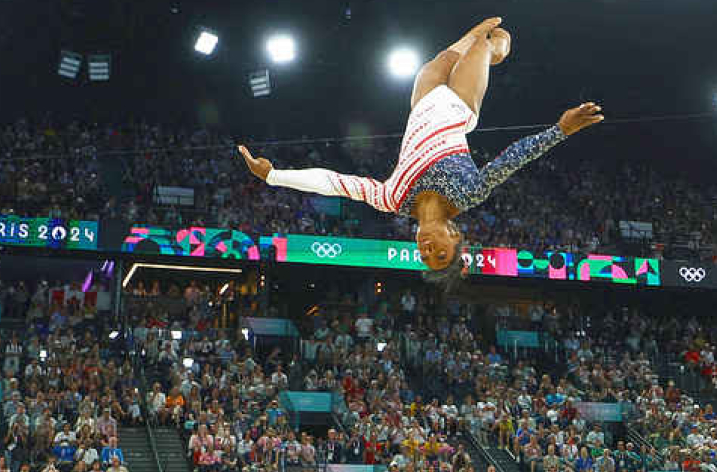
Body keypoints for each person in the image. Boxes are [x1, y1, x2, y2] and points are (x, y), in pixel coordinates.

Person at [239, 17, 605, 287]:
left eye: (425, 255)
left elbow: (334, 183)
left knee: (435, 62)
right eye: (440, 253)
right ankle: (498, 46)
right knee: (485, 45)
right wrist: (561, 130)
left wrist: (273, 176)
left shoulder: (392, 199)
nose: (428, 249)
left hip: (423, 103)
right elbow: (513, 158)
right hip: (460, 105)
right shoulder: (468, 194)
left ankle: (475, 35)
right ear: (455, 236)